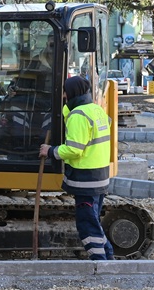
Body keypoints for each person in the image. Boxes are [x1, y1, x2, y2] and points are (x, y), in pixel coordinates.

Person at [39, 76, 114, 261]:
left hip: (86, 179)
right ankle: (109, 257)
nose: (63, 96)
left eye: (65, 93)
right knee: (94, 221)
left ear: (71, 93)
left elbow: (74, 149)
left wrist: (50, 151)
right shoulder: (95, 110)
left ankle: (101, 264)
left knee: (87, 225)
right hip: (100, 176)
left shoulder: (78, 116)